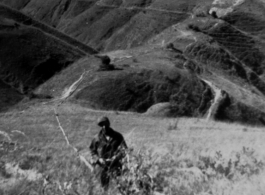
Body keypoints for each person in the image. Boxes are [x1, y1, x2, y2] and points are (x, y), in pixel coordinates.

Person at [89, 116, 127, 189]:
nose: (104, 127)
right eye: (101, 125)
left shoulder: (118, 136)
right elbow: (92, 151)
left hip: (116, 165)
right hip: (102, 166)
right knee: (104, 188)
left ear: (109, 124)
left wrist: (117, 157)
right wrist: (99, 159)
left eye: (105, 124)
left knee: (120, 186)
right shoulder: (96, 138)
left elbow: (124, 150)